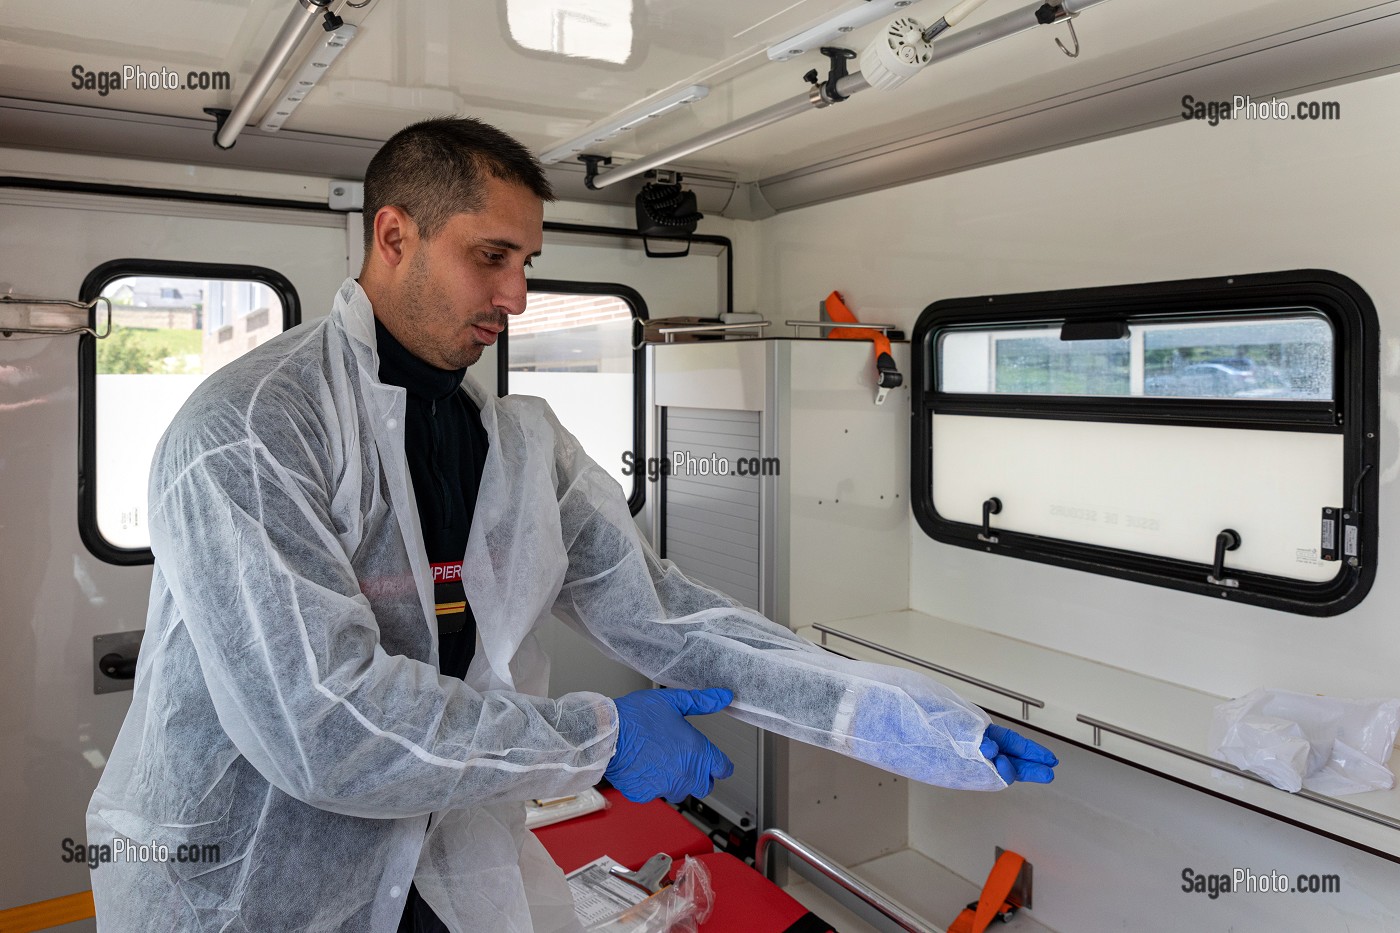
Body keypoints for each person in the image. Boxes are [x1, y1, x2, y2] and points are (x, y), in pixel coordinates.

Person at [87, 116, 1057, 933]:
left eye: (527, 263)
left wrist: (892, 718)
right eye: (489, 257)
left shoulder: (515, 446)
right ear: (393, 238)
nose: (515, 295)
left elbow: (667, 617)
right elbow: (320, 727)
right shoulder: (251, 431)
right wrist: (595, 740)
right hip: (246, 887)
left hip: (439, 865)